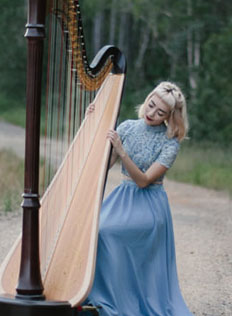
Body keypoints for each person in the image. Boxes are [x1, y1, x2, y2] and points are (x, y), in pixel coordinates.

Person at [84, 81, 193, 316]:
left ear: (169, 116)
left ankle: (121, 299)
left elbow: (144, 181)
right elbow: (103, 167)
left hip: (149, 205)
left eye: (160, 112)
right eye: (151, 105)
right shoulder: (127, 127)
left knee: (110, 232)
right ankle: (99, 296)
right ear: (147, 99)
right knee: (96, 230)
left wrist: (122, 151)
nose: (152, 114)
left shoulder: (170, 143)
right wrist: (90, 124)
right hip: (122, 198)